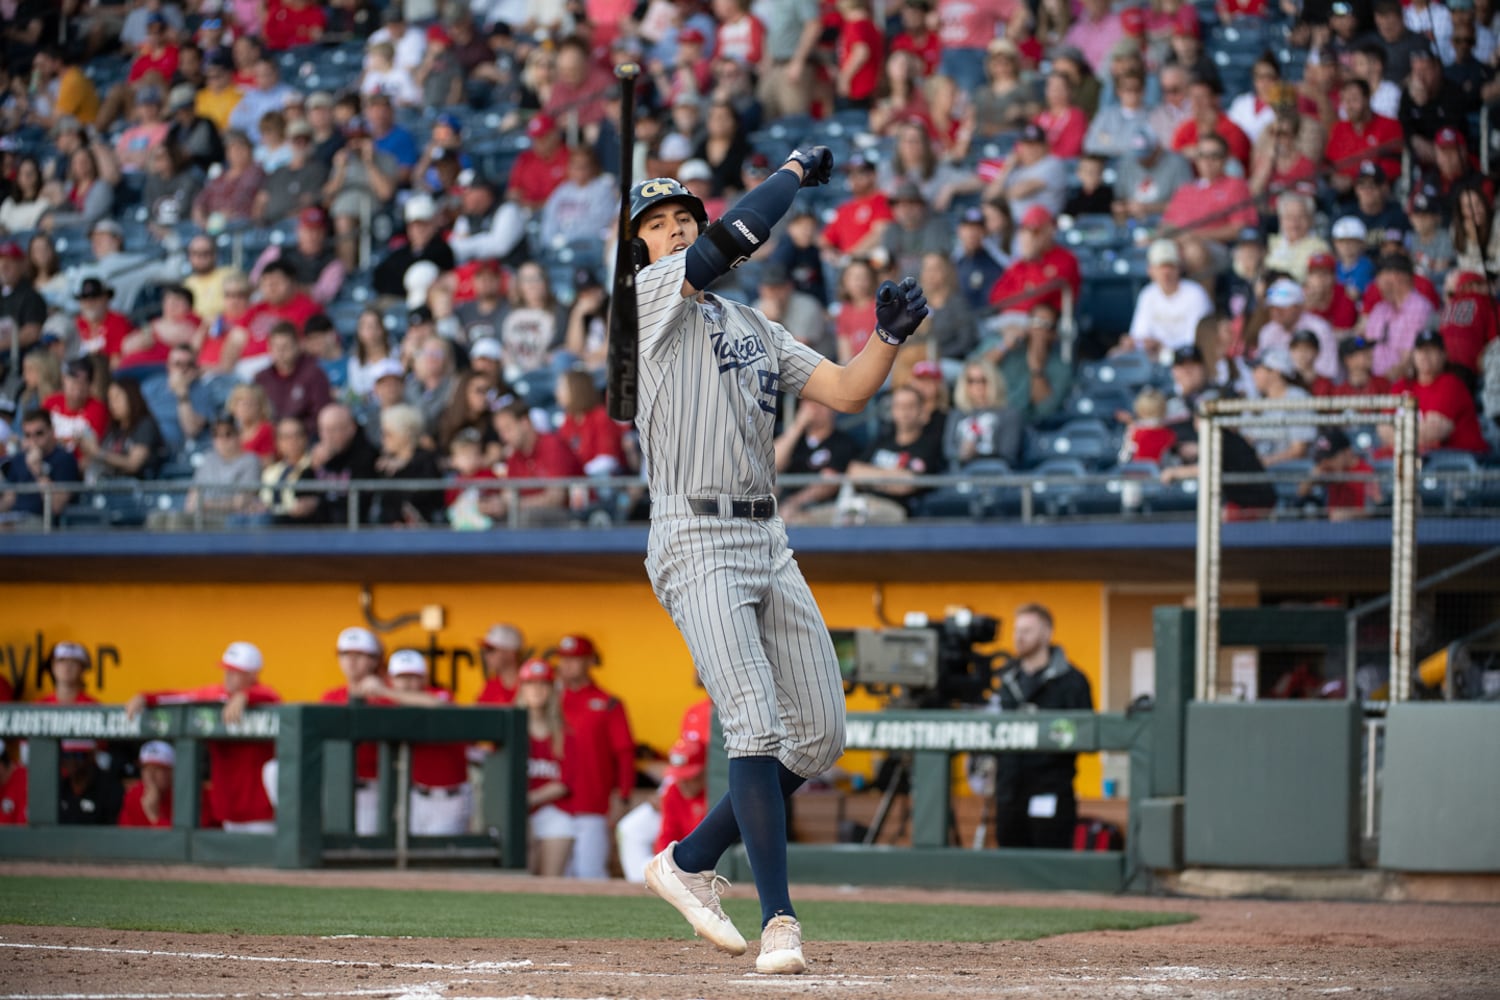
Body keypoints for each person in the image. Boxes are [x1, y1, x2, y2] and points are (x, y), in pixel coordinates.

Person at [626, 154, 926, 971]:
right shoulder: (648, 302)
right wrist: (792, 171)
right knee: (754, 724)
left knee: (820, 736)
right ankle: (780, 922)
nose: (674, 227)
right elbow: (735, 238)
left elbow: (846, 389)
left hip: (766, 536)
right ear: (642, 249)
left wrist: (887, 339)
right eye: (655, 224)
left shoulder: (752, 325)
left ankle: (687, 862)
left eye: (680, 215)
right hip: (693, 535)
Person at [125, 642, 281, 833]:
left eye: (236, 672)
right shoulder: (215, 695)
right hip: (228, 810)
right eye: (227, 670)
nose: (228, 677)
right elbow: (179, 696)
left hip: (260, 811)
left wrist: (244, 697)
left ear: (253, 675)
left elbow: (270, 695)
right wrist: (145, 697)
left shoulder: (264, 697)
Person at [988, 605, 1093, 849]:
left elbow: (1086, 734)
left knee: (1050, 862)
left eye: (1027, 630)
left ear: (1046, 633)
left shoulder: (1072, 681)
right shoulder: (1005, 679)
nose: (1019, 637)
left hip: (1050, 790)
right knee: (1010, 865)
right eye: (1016, 630)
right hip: (1008, 792)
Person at [357, 649, 472, 836]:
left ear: (424, 678)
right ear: (391, 679)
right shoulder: (389, 701)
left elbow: (438, 706)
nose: (408, 683)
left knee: (439, 859)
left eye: (413, 677)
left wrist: (385, 690)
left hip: (450, 797)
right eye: (402, 677)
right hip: (414, 796)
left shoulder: (440, 693)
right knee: (410, 857)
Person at [554, 634, 635, 881]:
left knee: (590, 875)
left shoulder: (608, 703)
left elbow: (625, 754)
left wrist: (622, 797)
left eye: (575, 659)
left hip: (593, 804)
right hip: (554, 804)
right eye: (564, 659)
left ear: (590, 661)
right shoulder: (550, 700)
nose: (568, 664)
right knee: (554, 876)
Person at [1385, 330, 1490, 455]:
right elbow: (1383, 427)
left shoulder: (1451, 384)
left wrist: (1395, 433)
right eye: (1421, 350)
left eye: (1431, 350)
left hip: (1462, 464)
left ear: (1443, 355)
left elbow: (1433, 433)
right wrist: (1413, 433)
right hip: (1420, 461)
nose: (1425, 355)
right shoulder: (1401, 386)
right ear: (1414, 355)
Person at [518, 656, 575, 877]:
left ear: (552, 689)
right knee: (522, 878)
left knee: (551, 882)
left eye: (543, 683)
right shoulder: (510, 728)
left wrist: (530, 799)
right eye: (530, 683)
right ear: (521, 688)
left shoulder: (565, 733)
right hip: (518, 814)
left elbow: (565, 782)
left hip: (555, 810)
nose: (537, 689)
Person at [1120, 239, 1213, 359]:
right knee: (1117, 354)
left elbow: (1196, 341)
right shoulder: (1147, 294)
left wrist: (1161, 346)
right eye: (1160, 266)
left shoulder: (1196, 294)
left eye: (1171, 266)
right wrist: (1135, 343)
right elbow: (1139, 335)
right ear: (1150, 270)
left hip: (1188, 359)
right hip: (1153, 357)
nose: (1166, 272)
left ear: (1179, 268)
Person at [1, 409, 81, 524]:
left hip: (44, 523)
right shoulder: (19, 458)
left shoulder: (65, 459)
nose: (33, 440)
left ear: (51, 431)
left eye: (39, 433)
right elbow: (9, 498)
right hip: (14, 519)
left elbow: (56, 506)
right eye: (28, 435)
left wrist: (38, 470)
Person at [1299, 427, 1380, 521]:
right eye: (1323, 459)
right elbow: (1301, 493)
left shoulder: (1366, 471)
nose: (1326, 462)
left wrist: (1349, 514)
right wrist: (1311, 478)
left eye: (1331, 457)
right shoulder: (1327, 470)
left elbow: (1376, 508)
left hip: (1359, 527)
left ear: (1347, 452)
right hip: (1331, 529)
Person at [117, 741, 175, 828]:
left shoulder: (184, 796)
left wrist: (155, 817)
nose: (150, 775)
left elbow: (181, 840)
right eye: (146, 768)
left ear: (172, 772)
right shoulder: (134, 795)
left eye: (157, 769)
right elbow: (124, 837)